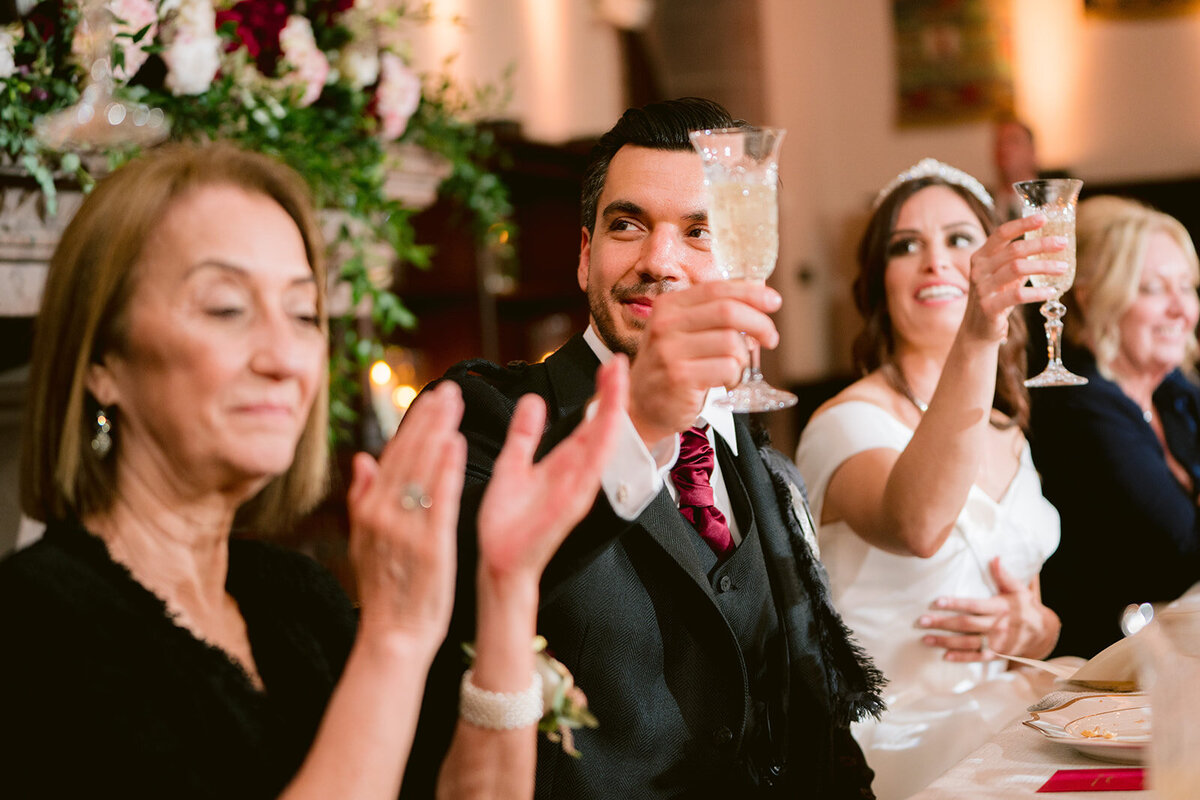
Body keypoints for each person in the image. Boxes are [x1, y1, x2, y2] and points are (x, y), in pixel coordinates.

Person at [0, 142, 628, 799]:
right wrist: (394, 640)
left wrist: (507, 588)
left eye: (303, 314)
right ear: (102, 360)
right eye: (225, 308)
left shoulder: (293, 598)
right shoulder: (34, 625)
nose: (286, 358)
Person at [402, 98, 883, 798]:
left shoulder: (763, 464)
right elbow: (460, 588)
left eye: (699, 232)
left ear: (746, 258)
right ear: (585, 256)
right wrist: (643, 421)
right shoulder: (481, 416)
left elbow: (814, 717)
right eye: (627, 225)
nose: (659, 262)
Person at [794, 159, 1064, 800]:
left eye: (960, 239)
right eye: (905, 245)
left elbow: (1034, 611)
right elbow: (917, 524)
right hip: (898, 737)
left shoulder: (1006, 433)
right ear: (877, 283)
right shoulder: (845, 423)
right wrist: (978, 330)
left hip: (1005, 704)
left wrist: (1031, 629)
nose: (935, 261)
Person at [1031, 195, 1200, 658]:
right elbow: (1183, 552)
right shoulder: (1079, 405)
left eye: (1187, 287)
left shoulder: (1174, 393)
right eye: (1152, 288)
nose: (1180, 310)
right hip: (1110, 666)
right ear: (1089, 296)